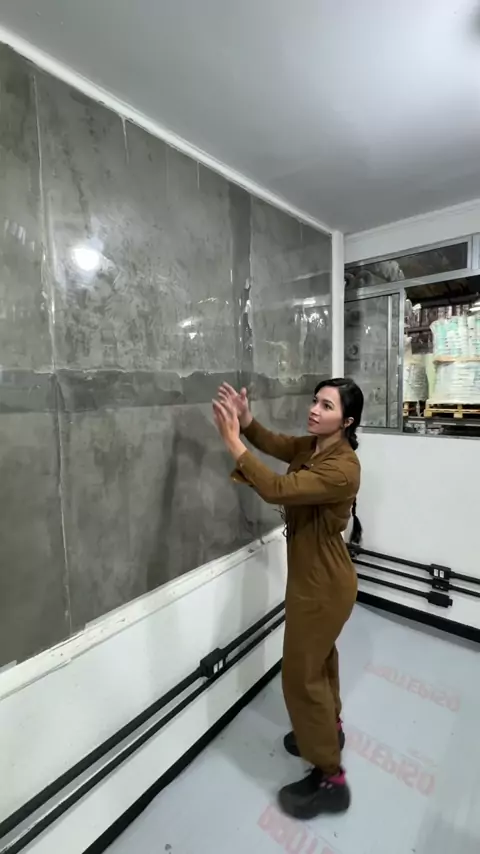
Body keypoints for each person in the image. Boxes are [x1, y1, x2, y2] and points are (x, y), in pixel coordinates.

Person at [212, 378, 364, 821]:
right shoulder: (314, 448)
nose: (314, 410)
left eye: (327, 406)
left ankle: (330, 778)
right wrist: (247, 421)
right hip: (313, 580)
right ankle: (328, 728)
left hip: (323, 586)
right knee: (320, 662)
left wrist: (233, 442)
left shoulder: (343, 467)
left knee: (300, 677)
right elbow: (277, 443)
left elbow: (278, 489)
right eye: (315, 401)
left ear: (347, 421)